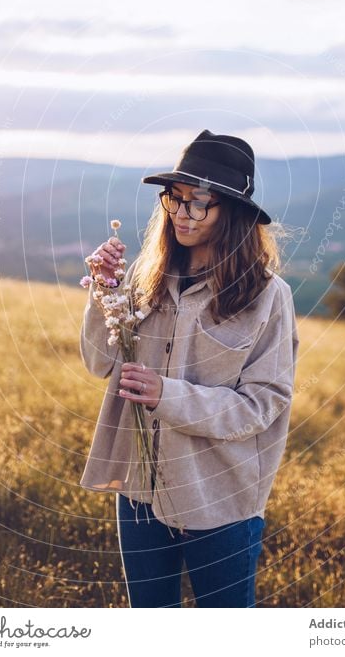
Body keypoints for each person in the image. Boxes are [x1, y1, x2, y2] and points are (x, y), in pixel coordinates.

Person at [79, 129, 299, 608]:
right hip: (139, 491)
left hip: (219, 498)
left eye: (199, 203)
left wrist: (166, 395)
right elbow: (100, 363)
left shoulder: (267, 297)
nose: (181, 212)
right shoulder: (146, 277)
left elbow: (264, 405)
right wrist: (104, 293)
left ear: (234, 213)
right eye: (174, 199)